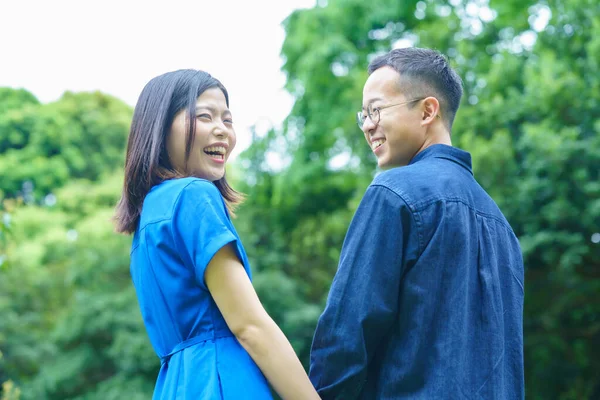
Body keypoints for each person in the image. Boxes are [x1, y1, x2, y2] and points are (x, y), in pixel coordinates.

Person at [309, 47, 524, 399]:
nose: (367, 124)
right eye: (363, 114)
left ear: (427, 111)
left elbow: (345, 338)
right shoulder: (502, 229)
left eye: (376, 110)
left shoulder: (394, 193)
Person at [114, 69, 319, 400]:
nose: (222, 130)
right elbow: (250, 326)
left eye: (227, 119)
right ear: (160, 127)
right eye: (204, 116)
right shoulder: (194, 195)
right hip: (223, 381)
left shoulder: (148, 217)